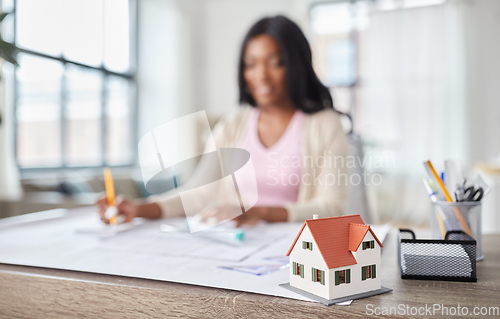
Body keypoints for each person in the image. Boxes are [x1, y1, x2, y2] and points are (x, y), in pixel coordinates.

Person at [97, 15, 349, 226]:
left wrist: (261, 212)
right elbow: (199, 193)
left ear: (297, 65)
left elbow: (331, 207)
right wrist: (139, 209)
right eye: (250, 64)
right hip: (238, 248)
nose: (261, 75)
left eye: (276, 63)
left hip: (296, 250)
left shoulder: (325, 125)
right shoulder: (232, 126)